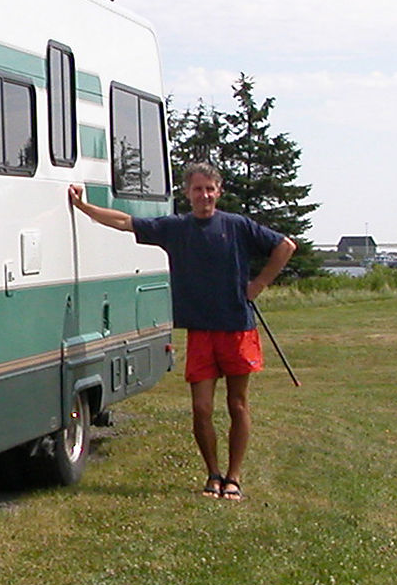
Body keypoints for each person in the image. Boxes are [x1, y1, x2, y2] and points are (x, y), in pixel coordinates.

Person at [68, 163, 296, 501]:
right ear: (187, 193)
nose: (204, 195)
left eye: (210, 189)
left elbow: (285, 246)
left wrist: (258, 284)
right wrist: (84, 207)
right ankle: (213, 475)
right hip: (201, 332)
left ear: (218, 191)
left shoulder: (237, 226)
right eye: (197, 189)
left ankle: (234, 477)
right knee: (202, 409)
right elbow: (125, 222)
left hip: (237, 329)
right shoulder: (176, 228)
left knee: (237, 405)